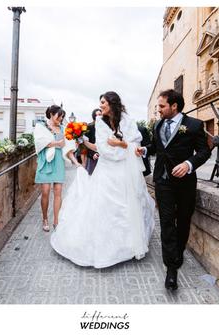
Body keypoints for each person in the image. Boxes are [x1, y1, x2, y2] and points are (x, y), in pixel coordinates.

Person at [51, 91, 155, 268]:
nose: (100, 106)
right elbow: (104, 149)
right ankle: (106, 249)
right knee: (105, 208)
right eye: (100, 103)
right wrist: (122, 148)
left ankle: (128, 247)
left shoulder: (128, 120)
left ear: (112, 103)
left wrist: (121, 145)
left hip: (126, 173)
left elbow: (136, 142)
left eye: (103, 103)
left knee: (128, 206)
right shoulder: (99, 122)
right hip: (107, 172)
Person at [136, 89, 211, 290]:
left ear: (174, 106)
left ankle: (178, 252)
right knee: (167, 222)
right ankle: (171, 267)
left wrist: (189, 164)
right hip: (163, 181)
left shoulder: (194, 125)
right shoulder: (159, 124)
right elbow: (157, 147)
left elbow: (204, 151)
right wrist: (145, 150)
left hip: (185, 182)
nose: (158, 110)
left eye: (161, 106)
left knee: (184, 220)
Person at [34, 105, 79, 232]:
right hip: (45, 161)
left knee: (58, 192)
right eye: (59, 116)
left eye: (63, 116)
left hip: (58, 161)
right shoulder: (41, 127)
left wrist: (76, 162)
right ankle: (44, 219)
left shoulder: (64, 129)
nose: (61, 118)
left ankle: (56, 221)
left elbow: (68, 148)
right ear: (52, 114)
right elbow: (39, 143)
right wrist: (56, 143)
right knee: (46, 192)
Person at [83, 108, 102, 175]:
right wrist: (92, 154)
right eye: (97, 115)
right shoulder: (89, 127)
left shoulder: (106, 127)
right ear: (94, 117)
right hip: (93, 157)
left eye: (100, 114)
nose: (99, 117)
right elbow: (85, 144)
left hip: (104, 156)